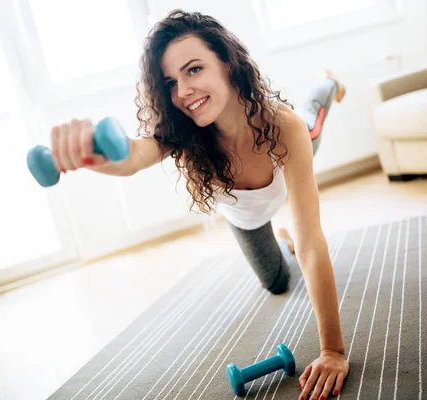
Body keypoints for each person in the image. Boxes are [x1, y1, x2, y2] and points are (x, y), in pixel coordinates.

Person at [50, 9, 349, 400]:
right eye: (172, 82)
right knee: (277, 282)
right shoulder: (184, 133)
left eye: (194, 70)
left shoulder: (283, 127)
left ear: (226, 62)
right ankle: (279, 235)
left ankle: (328, 83)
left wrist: (332, 351)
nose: (183, 91)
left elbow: (312, 242)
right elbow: (134, 157)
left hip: (297, 143)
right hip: (246, 218)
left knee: (310, 120)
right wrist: (93, 154)